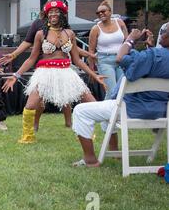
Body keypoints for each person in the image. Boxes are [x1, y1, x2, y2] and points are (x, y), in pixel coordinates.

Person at [2, 0, 106, 144]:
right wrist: (15, 75)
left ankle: (86, 134)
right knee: (30, 105)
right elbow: (31, 59)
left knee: (92, 102)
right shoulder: (40, 34)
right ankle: (28, 136)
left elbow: (77, 60)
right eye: (50, 12)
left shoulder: (70, 34)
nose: (53, 14)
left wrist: (94, 74)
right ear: (46, 15)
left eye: (56, 12)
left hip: (66, 72)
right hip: (44, 73)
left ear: (62, 14)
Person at [72, 27, 168, 167]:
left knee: (81, 111)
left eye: (164, 32)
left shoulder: (152, 56)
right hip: (162, 111)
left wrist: (130, 40)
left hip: (132, 109)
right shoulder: (153, 55)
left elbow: (120, 58)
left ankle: (90, 160)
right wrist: (150, 47)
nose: (161, 34)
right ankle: (114, 152)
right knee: (108, 110)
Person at [88, 1, 128, 99]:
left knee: (122, 90)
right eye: (98, 13)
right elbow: (91, 51)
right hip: (105, 61)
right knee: (112, 91)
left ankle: (120, 114)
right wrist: (92, 71)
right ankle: (106, 114)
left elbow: (127, 42)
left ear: (110, 12)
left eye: (103, 11)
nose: (101, 14)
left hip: (121, 59)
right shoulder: (95, 29)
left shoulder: (120, 23)